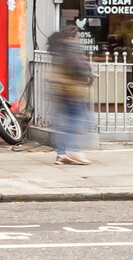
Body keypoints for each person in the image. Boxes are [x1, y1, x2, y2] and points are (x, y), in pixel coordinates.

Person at [47, 28, 94, 165]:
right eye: (77, 37)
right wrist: (88, 77)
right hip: (73, 91)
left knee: (64, 124)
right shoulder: (71, 50)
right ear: (72, 37)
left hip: (61, 92)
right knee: (83, 121)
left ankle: (61, 154)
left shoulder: (58, 50)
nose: (79, 39)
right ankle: (74, 151)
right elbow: (79, 68)